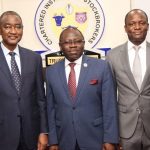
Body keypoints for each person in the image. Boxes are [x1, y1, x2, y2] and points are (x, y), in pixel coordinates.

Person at [46, 26, 119, 150]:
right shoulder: (51, 71)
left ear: (83, 44)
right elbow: (50, 108)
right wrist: (53, 141)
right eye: (68, 42)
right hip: (64, 139)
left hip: (95, 138)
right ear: (60, 46)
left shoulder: (101, 67)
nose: (73, 45)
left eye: (77, 41)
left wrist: (110, 139)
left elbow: (109, 106)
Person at [0, 11, 48, 150]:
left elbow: (40, 99)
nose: (13, 31)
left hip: (31, 135)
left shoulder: (34, 58)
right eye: (8, 26)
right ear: (0, 29)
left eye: (18, 27)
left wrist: (43, 132)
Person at [106, 9, 150, 150]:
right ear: (125, 28)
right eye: (132, 24)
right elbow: (109, 98)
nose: (137, 27)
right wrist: (112, 134)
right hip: (125, 129)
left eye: (141, 23)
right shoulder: (112, 56)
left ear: (147, 26)